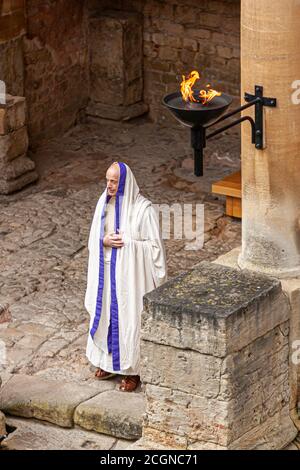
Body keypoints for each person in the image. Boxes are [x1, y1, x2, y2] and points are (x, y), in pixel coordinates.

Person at [84, 162, 167, 392]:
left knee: (129, 319)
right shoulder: (103, 203)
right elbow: (94, 237)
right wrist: (104, 241)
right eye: (107, 180)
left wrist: (128, 245)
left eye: (113, 181)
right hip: (106, 271)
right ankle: (106, 362)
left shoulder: (144, 210)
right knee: (105, 316)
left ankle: (132, 371)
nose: (109, 186)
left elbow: (155, 249)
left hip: (130, 278)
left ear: (124, 183)